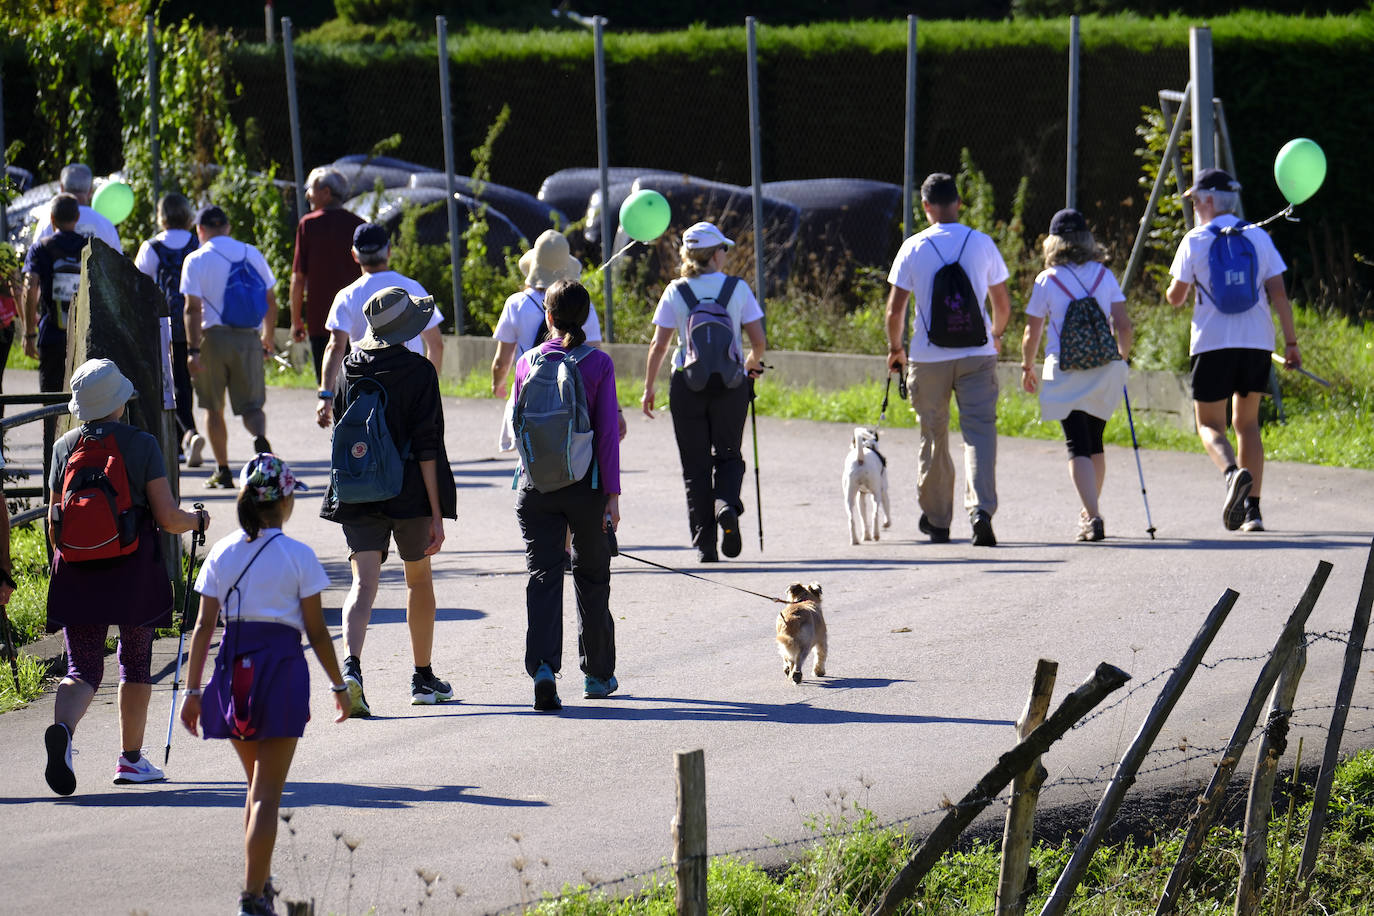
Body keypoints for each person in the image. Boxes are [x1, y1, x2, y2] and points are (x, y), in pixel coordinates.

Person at [179, 452, 348, 916]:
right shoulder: (299, 557)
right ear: (286, 500)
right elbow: (316, 631)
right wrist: (340, 685)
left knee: (255, 790)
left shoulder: (222, 551)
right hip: (281, 671)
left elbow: (202, 629)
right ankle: (252, 899)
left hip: (233, 673)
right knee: (267, 795)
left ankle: (262, 885)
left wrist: (192, 694)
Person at [42, 359, 209, 797]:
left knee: (81, 669)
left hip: (77, 570)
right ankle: (131, 760)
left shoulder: (64, 447)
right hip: (132, 570)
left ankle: (63, 730)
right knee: (134, 664)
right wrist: (198, 519)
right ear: (119, 402)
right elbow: (168, 518)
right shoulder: (142, 443)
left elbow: (53, 521)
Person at [319, 286, 457, 715]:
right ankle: (422, 677)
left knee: (363, 584)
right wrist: (437, 514)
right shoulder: (419, 372)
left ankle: (352, 669)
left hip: (358, 491)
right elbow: (428, 447)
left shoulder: (348, 368)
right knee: (418, 581)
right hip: (411, 492)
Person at [1165, 168, 1301, 533]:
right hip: (1256, 341)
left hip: (1212, 342)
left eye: (1195, 200)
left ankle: (1231, 474)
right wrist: (1291, 343)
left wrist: (1181, 288)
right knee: (1248, 424)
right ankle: (1253, 512)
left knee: (1210, 424)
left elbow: (1176, 299)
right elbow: (1279, 295)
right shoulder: (1257, 236)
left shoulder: (1194, 239)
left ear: (1209, 201)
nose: (1194, 206)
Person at [884, 172, 1011, 547]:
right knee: (979, 432)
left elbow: (895, 311)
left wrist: (896, 349)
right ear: (958, 202)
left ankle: (939, 521)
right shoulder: (982, 243)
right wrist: (997, 334)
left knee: (934, 435)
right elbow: (1001, 303)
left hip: (928, 356)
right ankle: (980, 511)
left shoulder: (913, 247)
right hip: (977, 353)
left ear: (925, 207)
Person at [511, 279, 621, 711]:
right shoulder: (598, 364)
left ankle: (542, 668)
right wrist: (612, 494)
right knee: (592, 577)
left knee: (543, 576)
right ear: (587, 316)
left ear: (548, 318)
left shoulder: (527, 362)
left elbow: (518, 428)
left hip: (536, 487)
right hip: (585, 488)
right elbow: (608, 434)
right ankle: (596, 675)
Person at [642, 221, 767, 563]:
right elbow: (758, 342)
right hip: (730, 385)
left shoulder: (676, 291)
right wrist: (752, 364)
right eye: (723, 249)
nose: (726, 254)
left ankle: (705, 545)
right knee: (728, 455)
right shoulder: (737, 289)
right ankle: (725, 503)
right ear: (714, 254)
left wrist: (648, 386)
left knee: (695, 467)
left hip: (687, 383)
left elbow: (659, 344)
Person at [1019, 208, 1133, 542]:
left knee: (1076, 445)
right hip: (1105, 367)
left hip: (1064, 368)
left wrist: (1027, 366)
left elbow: (1032, 332)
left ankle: (1093, 516)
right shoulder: (1104, 275)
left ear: (1052, 242)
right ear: (1087, 238)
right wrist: (1121, 359)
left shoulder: (1047, 279)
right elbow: (1124, 325)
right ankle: (1089, 511)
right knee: (1095, 441)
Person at [180, 205, 278, 488]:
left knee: (213, 408)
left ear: (200, 230)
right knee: (252, 407)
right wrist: (268, 337)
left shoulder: (196, 259)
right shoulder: (252, 253)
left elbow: (192, 309)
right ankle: (261, 444)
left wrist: (193, 350)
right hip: (248, 338)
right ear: (228, 227)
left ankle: (223, 471)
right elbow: (271, 300)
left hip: (213, 339)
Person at [314, 223, 443, 427]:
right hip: (410, 382)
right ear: (389, 251)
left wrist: (326, 394)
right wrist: (427, 387)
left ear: (355, 255)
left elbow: (335, 347)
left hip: (364, 386)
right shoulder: (412, 287)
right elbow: (436, 345)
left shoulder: (347, 295)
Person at [134, 192, 205, 467]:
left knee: (167, 384)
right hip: (195, 322)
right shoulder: (197, 243)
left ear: (161, 216)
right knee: (186, 384)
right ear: (188, 216)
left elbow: (141, 285)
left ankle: (181, 437)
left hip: (162, 324)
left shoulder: (151, 247)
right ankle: (188, 434)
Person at [21, 193, 89, 480]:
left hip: (52, 335)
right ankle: (85, 470)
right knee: (87, 403)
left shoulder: (41, 248)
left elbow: (30, 287)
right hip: (85, 336)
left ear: (52, 220)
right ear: (77, 218)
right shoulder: (90, 245)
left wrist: (28, 331)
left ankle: (53, 479)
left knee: (51, 407)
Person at [289, 167, 364, 383]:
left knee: (328, 386)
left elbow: (298, 278)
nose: (307, 195)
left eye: (311, 189)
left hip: (322, 321)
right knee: (358, 385)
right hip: (357, 320)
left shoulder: (308, 225)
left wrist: (296, 320)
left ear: (326, 192)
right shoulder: (358, 224)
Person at [29, 163, 123, 253]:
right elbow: (120, 265)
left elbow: (34, 258)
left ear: (62, 188)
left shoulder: (48, 220)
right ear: (90, 191)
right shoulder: (105, 224)